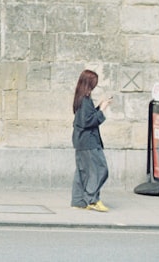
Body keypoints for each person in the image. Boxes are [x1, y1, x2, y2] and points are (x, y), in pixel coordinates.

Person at [71, 69, 111, 212]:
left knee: (83, 171)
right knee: (101, 169)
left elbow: (84, 118)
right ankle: (92, 199)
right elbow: (88, 122)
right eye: (94, 83)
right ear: (89, 83)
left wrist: (98, 107)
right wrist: (102, 111)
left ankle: (78, 200)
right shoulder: (85, 100)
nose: (95, 85)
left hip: (81, 140)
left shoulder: (81, 98)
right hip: (88, 142)